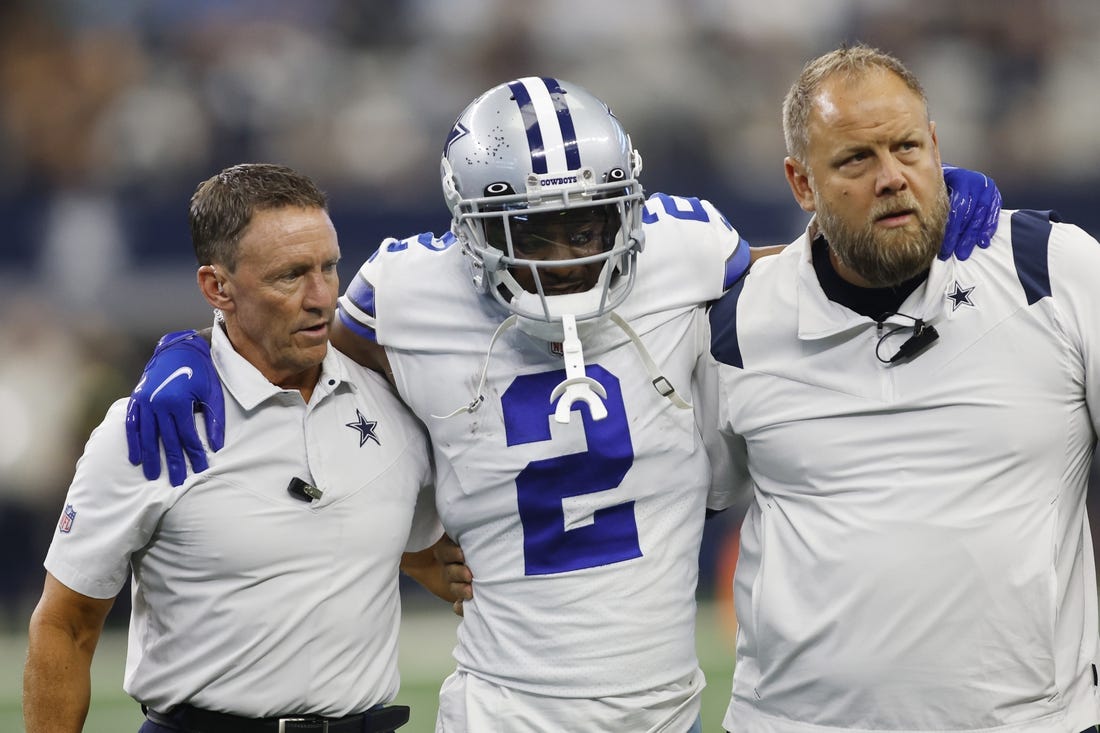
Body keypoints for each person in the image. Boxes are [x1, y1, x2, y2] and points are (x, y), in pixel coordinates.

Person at [120, 79, 1000, 732]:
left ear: (629, 209)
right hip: (505, 708)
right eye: (532, 230)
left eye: (587, 224)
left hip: (666, 705)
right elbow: (310, 369)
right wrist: (208, 344)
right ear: (470, 225)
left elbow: (814, 277)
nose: (566, 255)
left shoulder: (684, 250)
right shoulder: (411, 289)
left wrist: (914, 223)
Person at [707, 44, 1100, 732]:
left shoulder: (1050, 270)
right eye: (855, 160)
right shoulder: (739, 322)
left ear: (937, 144)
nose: (890, 177)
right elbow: (657, 498)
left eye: (907, 147)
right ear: (802, 184)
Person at [23, 163, 448, 733]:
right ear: (216, 287)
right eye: (290, 275)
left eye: (329, 266)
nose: (323, 297)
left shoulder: (393, 400)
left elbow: (430, 556)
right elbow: (66, 625)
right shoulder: (148, 427)